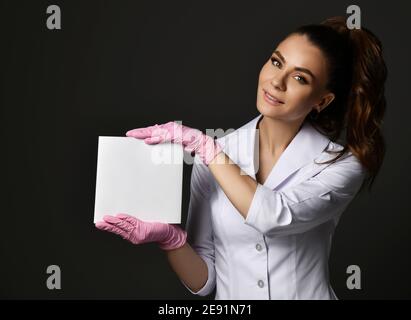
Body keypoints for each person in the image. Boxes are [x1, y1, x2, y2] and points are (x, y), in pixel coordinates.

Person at [95, 16, 387, 299]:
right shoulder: (216, 154)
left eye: (299, 78)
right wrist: (171, 240)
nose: (277, 82)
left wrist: (206, 148)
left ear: (321, 101)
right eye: (276, 62)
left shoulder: (341, 164)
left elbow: (273, 215)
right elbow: (204, 281)